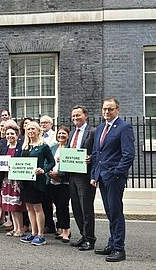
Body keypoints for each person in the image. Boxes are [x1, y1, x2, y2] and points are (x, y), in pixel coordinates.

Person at [91, 97, 135, 262]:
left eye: (110, 109)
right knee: (110, 212)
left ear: (117, 110)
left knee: (116, 212)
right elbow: (97, 154)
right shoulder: (101, 128)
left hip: (114, 178)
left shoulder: (124, 128)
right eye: (104, 109)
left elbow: (128, 154)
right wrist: (94, 175)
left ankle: (119, 248)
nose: (106, 112)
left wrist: (117, 173)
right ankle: (112, 242)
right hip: (102, 177)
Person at [19, 121, 55, 246]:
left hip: (37, 182)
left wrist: (43, 169)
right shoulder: (25, 146)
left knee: (38, 208)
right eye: (28, 129)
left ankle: (41, 235)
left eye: (33, 129)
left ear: (38, 130)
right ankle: (33, 233)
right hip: (25, 181)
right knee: (29, 207)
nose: (30, 131)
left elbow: (52, 162)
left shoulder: (43, 146)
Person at [68, 105, 97, 251]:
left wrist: (91, 158)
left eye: (78, 115)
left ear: (85, 115)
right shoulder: (73, 132)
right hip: (72, 175)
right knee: (76, 208)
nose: (75, 118)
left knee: (86, 208)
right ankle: (83, 235)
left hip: (85, 176)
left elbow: (98, 152)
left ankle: (90, 239)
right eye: (73, 116)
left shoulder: (92, 131)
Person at [0, 123, 26, 237]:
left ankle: (20, 229)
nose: (9, 136)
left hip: (16, 181)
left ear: (17, 135)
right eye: (7, 134)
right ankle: (15, 228)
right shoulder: (4, 149)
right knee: (10, 206)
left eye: (12, 134)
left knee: (16, 206)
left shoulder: (21, 148)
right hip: (7, 180)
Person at [47, 126, 71, 243]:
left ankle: (66, 231)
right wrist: (50, 173)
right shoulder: (53, 147)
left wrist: (59, 174)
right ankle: (61, 228)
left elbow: (71, 165)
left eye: (64, 134)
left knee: (63, 207)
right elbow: (48, 162)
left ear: (68, 136)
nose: (61, 136)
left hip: (64, 182)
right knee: (57, 207)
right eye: (59, 133)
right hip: (52, 181)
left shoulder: (70, 148)